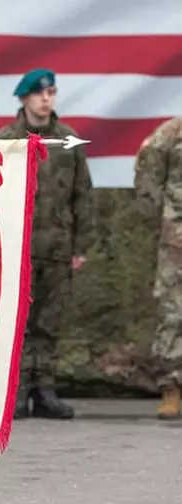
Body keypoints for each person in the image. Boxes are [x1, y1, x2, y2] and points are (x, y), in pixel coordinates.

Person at [0, 68, 94, 420]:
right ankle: (18, 391)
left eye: (51, 92)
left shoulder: (68, 141)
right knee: (18, 321)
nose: (46, 99)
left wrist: (80, 246)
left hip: (56, 246)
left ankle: (45, 389)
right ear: (24, 98)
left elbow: (82, 195)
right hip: (17, 247)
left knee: (49, 323)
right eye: (39, 93)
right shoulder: (7, 141)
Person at [132, 117, 182, 421]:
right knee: (173, 311)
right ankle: (171, 387)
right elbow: (148, 174)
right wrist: (160, 221)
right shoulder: (171, 133)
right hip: (176, 239)